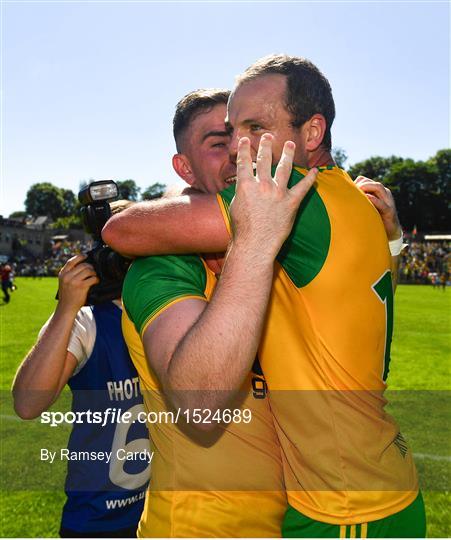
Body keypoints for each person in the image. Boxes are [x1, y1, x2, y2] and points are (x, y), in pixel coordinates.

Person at [103, 55, 424, 538]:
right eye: (228, 135)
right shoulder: (347, 203)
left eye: (255, 127)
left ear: (311, 134)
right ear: (184, 166)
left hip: (345, 506)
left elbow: (121, 229)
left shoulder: (292, 196)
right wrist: (393, 242)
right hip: (344, 493)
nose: (238, 149)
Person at [120, 89, 288, 538]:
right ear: (185, 168)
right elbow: (200, 406)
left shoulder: (274, 253)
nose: (238, 153)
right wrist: (252, 242)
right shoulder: (163, 264)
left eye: (248, 138)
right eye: (219, 143)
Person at [12, 202, 150, 538]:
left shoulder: (170, 311)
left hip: (160, 514)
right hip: (97, 519)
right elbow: (27, 404)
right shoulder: (87, 321)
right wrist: (67, 308)